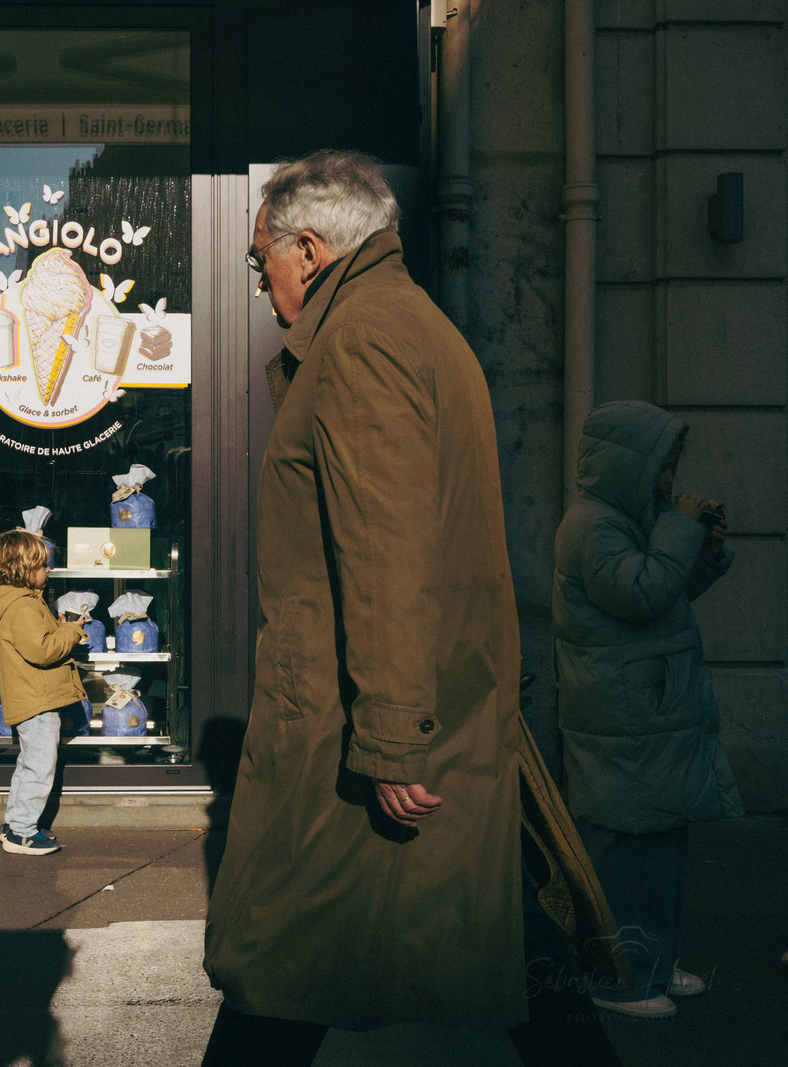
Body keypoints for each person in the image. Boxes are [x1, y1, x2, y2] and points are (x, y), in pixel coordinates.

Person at [201, 150, 616, 1065]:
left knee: (281, 959)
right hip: (434, 709)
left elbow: (387, 546)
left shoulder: (362, 339)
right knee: (503, 942)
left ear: (307, 250)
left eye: (258, 256)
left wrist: (390, 735)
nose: (259, 277)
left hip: (361, 728)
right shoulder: (410, 323)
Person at [553, 400, 742, 1019]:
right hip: (622, 719)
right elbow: (639, 593)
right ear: (629, 466)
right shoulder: (593, 525)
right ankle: (620, 980)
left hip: (646, 714)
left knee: (660, 848)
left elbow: (665, 594)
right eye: (662, 467)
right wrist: (680, 532)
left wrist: (702, 552)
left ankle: (653, 964)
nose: (669, 481)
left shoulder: (629, 519)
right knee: (626, 854)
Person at [0, 529, 88, 856]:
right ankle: (22, 833)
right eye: (43, 565)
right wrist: (70, 632)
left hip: (32, 697)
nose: (48, 570)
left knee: (29, 765)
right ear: (24, 569)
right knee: (39, 766)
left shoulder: (23, 603)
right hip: (37, 701)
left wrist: (60, 626)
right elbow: (43, 650)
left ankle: (15, 823)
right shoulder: (23, 606)